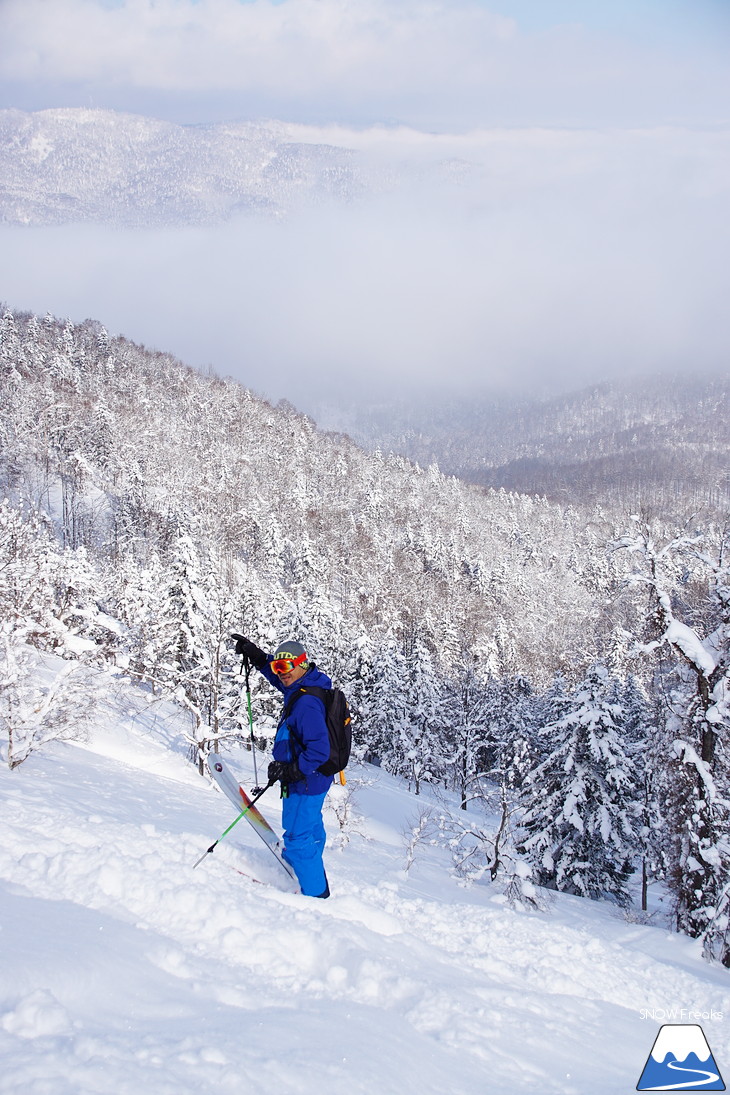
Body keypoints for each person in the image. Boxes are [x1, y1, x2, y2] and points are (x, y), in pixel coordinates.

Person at [232, 635, 332, 899]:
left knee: (297, 837)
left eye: (285, 668)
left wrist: (290, 771)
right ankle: (307, 871)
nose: (281, 674)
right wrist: (259, 658)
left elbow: (319, 750)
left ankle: (315, 895)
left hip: (305, 781)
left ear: (302, 664)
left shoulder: (306, 703)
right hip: (317, 779)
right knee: (310, 827)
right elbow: (281, 681)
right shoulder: (307, 684)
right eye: (278, 668)